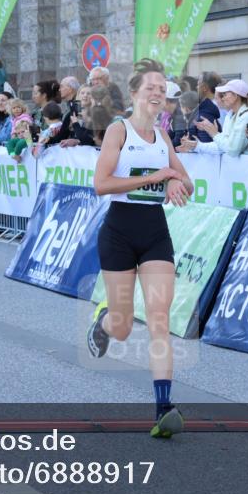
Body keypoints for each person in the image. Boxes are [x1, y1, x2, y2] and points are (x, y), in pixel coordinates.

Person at [87, 58, 194, 438]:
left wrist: (174, 183)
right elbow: (101, 184)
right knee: (122, 327)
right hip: (118, 231)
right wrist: (154, 177)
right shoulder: (120, 131)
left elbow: (187, 182)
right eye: (150, 88)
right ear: (133, 94)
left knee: (159, 320)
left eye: (162, 89)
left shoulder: (163, 137)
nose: (157, 93)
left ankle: (163, 407)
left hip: (154, 232)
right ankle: (103, 322)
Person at [178, 79, 248, 157]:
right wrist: (196, 146)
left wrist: (214, 133)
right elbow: (222, 147)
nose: (223, 98)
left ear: (235, 96)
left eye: (225, 95)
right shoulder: (230, 115)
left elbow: (233, 150)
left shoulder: (247, 117)